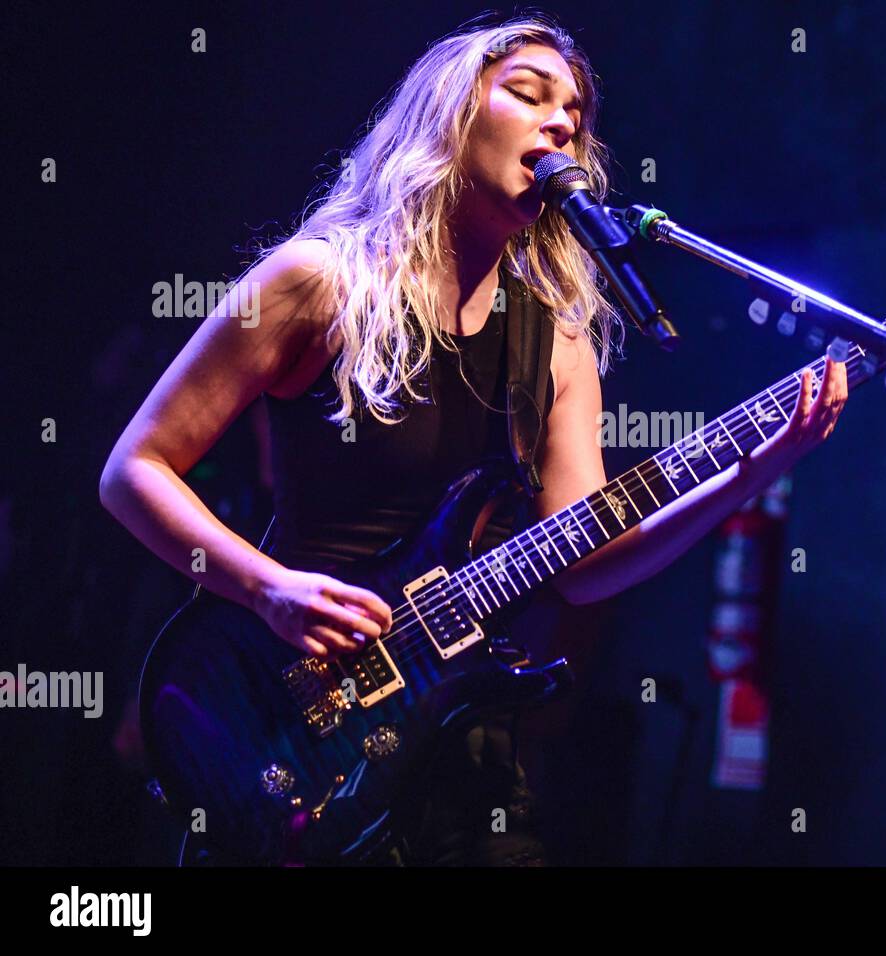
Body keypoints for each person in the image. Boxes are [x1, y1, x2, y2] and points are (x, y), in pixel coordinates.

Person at [99, 12, 848, 866]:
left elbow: (590, 560)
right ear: (452, 118)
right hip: (284, 707)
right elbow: (135, 470)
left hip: (461, 751)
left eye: (573, 112)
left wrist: (758, 465)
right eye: (528, 95)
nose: (560, 121)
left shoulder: (557, 337)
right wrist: (269, 590)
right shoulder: (317, 283)